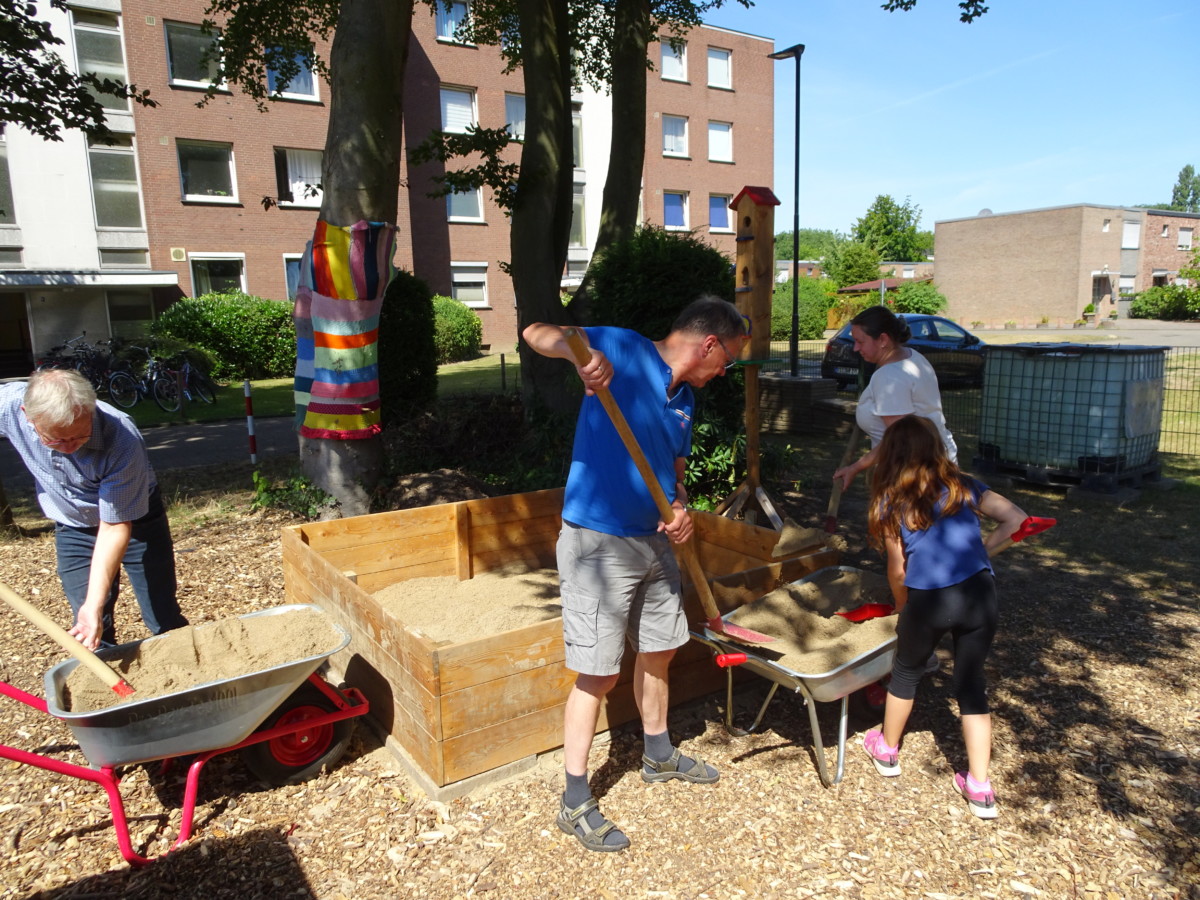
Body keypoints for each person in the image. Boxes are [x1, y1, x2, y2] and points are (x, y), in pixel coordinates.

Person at [522, 296, 748, 853]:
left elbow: (674, 476)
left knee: (660, 649)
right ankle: (575, 800)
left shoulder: (685, 400)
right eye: (727, 360)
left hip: (653, 543)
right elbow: (535, 331)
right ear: (708, 344)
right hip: (598, 544)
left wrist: (681, 510)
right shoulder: (624, 347)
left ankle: (658, 752)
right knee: (597, 673)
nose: (725, 373)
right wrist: (579, 359)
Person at [861, 415, 1027, 819]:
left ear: (892, 456)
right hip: (979, 595)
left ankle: (887, 750)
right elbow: (1018, 519)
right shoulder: (963, 486)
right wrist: (982, 554)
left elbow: (898, 570)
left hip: (929, 599)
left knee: (906, 670)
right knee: (972, 685)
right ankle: (981, 788)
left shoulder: (889, 501)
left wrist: (902, 607)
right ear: (935, 449)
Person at [0, 368, 187, 650]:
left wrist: (94, 602)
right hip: (73, 523)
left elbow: (113, 526)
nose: (70, 447)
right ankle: (112, 685)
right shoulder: (9, 406)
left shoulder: (122, 438)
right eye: (56, 439)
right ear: (27, 415)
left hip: (136, 520)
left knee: (162, 615)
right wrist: (92, 609)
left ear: (90, 410)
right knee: (89, 623)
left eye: (80, 436)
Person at [832, 305, 957, 490]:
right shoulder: (913, 357)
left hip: (916, 475)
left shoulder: (890, 377)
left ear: (883, 339)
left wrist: (856, 467)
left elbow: (898, 440)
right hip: (935, 462)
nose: (856, 348)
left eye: (860, 341)